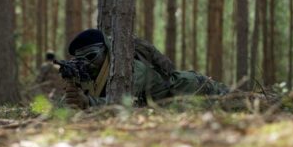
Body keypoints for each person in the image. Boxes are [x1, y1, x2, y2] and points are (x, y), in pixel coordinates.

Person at [63, 29, 230, 109]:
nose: (86, 63)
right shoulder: (94, 75)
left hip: (192, 88)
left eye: (91, 56)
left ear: (106, 51)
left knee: (240, 102)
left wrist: (88, 102)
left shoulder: (131, 69)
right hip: (174, 104)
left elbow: (122, 104)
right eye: (80, 60)